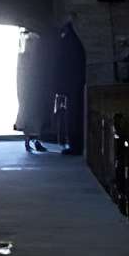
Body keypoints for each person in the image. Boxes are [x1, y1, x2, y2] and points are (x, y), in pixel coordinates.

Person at [49, 19, 87, 155]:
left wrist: (58, 84)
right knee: (73, 115)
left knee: (74, 116)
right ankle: (75, 144)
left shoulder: (68, 42)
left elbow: (62, 64)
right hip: (75, 84)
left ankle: (75, 145)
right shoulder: (74, 42)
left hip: (72, 85)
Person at [15, 26, 53, 151]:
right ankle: (28, 141)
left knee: (36, 115)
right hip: (29, 87)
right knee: (28, 113)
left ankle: (36, 140)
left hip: (35, 86)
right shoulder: (24, 56)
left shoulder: (33, 54)